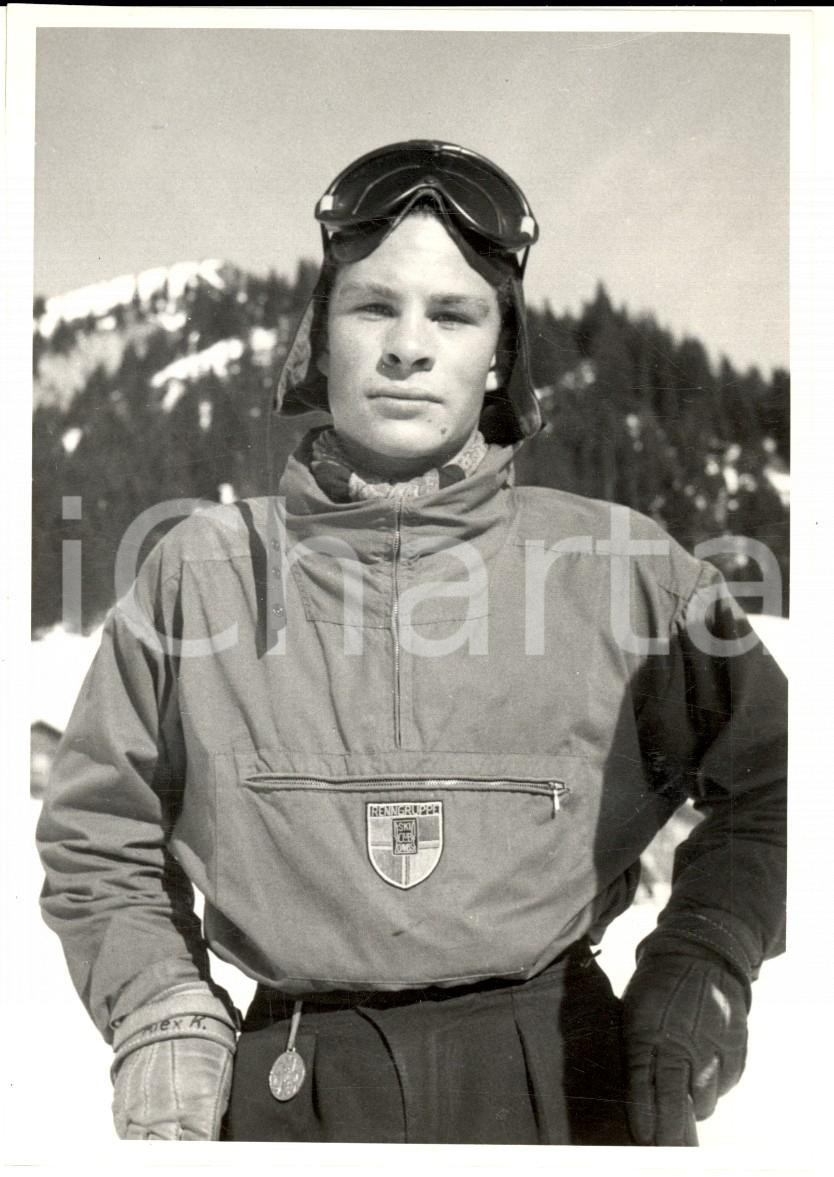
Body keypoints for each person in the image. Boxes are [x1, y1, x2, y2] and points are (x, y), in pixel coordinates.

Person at [36, 140, 787, 1146]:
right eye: (373, 306)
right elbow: (99, 836)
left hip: (565, 1078)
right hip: (287, 1093)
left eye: (454, 312)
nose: (408, 345)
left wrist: (703, 957)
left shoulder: (621, 566)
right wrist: (161, 1006)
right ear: (319, 337)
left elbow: (785, 779)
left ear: (498, 357)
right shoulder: (201, 570)